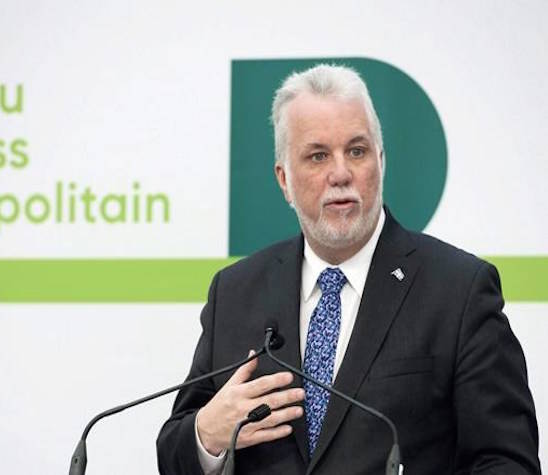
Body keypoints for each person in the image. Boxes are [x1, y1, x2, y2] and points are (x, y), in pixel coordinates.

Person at [156, 64, 540, 474]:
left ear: (381, 160)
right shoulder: (235, 293)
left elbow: (507, 461)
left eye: (356, 151)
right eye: (318, 156)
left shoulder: (459, 291)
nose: (340, 174)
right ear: (284, 179)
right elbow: (174, 455)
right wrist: (207, 435)